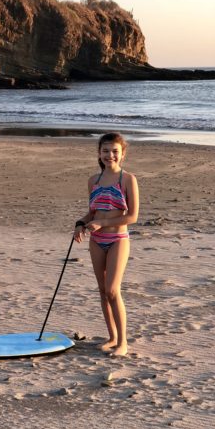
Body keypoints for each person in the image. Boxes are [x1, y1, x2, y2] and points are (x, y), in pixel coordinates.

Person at [74, 132, 139, 357]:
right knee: (103, 292)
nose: (109, 155)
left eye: (114, 151)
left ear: (122, 154)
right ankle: (112, 338)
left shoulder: (128, 179)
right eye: (105, 151)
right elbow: (92, 211)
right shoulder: (93, 180)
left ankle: (123, 342)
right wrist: (80, 224)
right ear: (99, 153)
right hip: (96, 241)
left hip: (118, 240)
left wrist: (101, 222)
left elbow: (132, 217)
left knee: (113, 290)